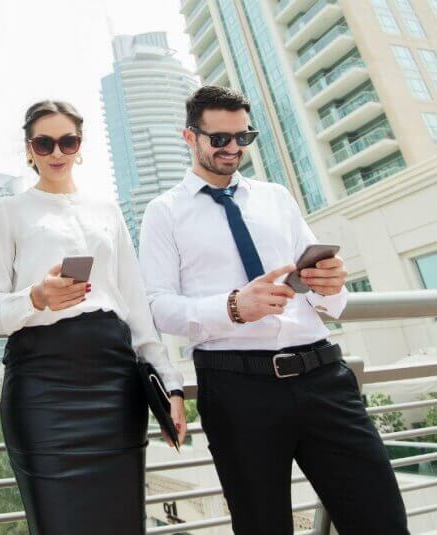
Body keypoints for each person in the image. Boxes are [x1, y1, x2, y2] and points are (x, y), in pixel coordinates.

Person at [138, 85, 408, 534]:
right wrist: (233, 307)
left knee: (380, 518)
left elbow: (326, 296)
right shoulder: (163, 213)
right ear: (189, 137)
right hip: (237, 388)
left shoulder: (276, 197)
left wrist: (330, 284)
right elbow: (156, 306)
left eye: (244, 138)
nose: (233, 148)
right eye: (220, 139)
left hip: (324, 376)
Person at [0, 100, 186, 534]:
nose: (57, 152)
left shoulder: (107, 210)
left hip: (114, 380)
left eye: (67, 141)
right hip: (42, 384)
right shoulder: (8, 211)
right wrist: (36, 297)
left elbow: (135, 304)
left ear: (80, 145)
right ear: (29, 149)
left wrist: (171, 384)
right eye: (44, 142)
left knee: (123, 522)